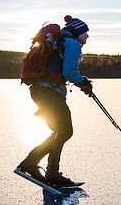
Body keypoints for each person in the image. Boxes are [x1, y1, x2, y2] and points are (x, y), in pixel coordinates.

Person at [16, 15, 92, 187]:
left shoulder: (61, 41)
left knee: (59, 131)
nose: (87, 38)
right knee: (65, 131)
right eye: (85, 34)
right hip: (50, 93)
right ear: (78, 31)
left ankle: (50, 173)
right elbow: (69, 72)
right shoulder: (71, 43)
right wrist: (84, 84)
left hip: (39, 91)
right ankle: (33, 164)